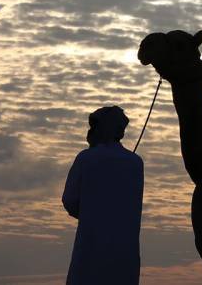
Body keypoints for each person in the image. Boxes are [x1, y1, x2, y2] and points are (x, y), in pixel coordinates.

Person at [62, 106, 144, 285]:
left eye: (94, 126)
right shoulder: (136, 163)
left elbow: (70, 200)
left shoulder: (85, 158)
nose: (90, 131)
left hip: (90, 250)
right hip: (125, 256)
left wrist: (90, 214)